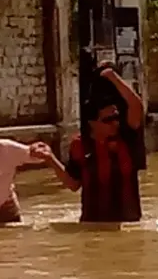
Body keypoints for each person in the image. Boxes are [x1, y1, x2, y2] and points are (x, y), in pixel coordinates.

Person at [56, 63, 147, 223]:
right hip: (92, 225)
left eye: (116, 118)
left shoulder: (127, 137)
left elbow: (136, 107)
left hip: (128, 224)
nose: (115, 123)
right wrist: (49, 159)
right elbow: (73, 184)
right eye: (108, 120)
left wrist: (113, 76)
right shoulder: (80, 145)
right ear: (92, 123)